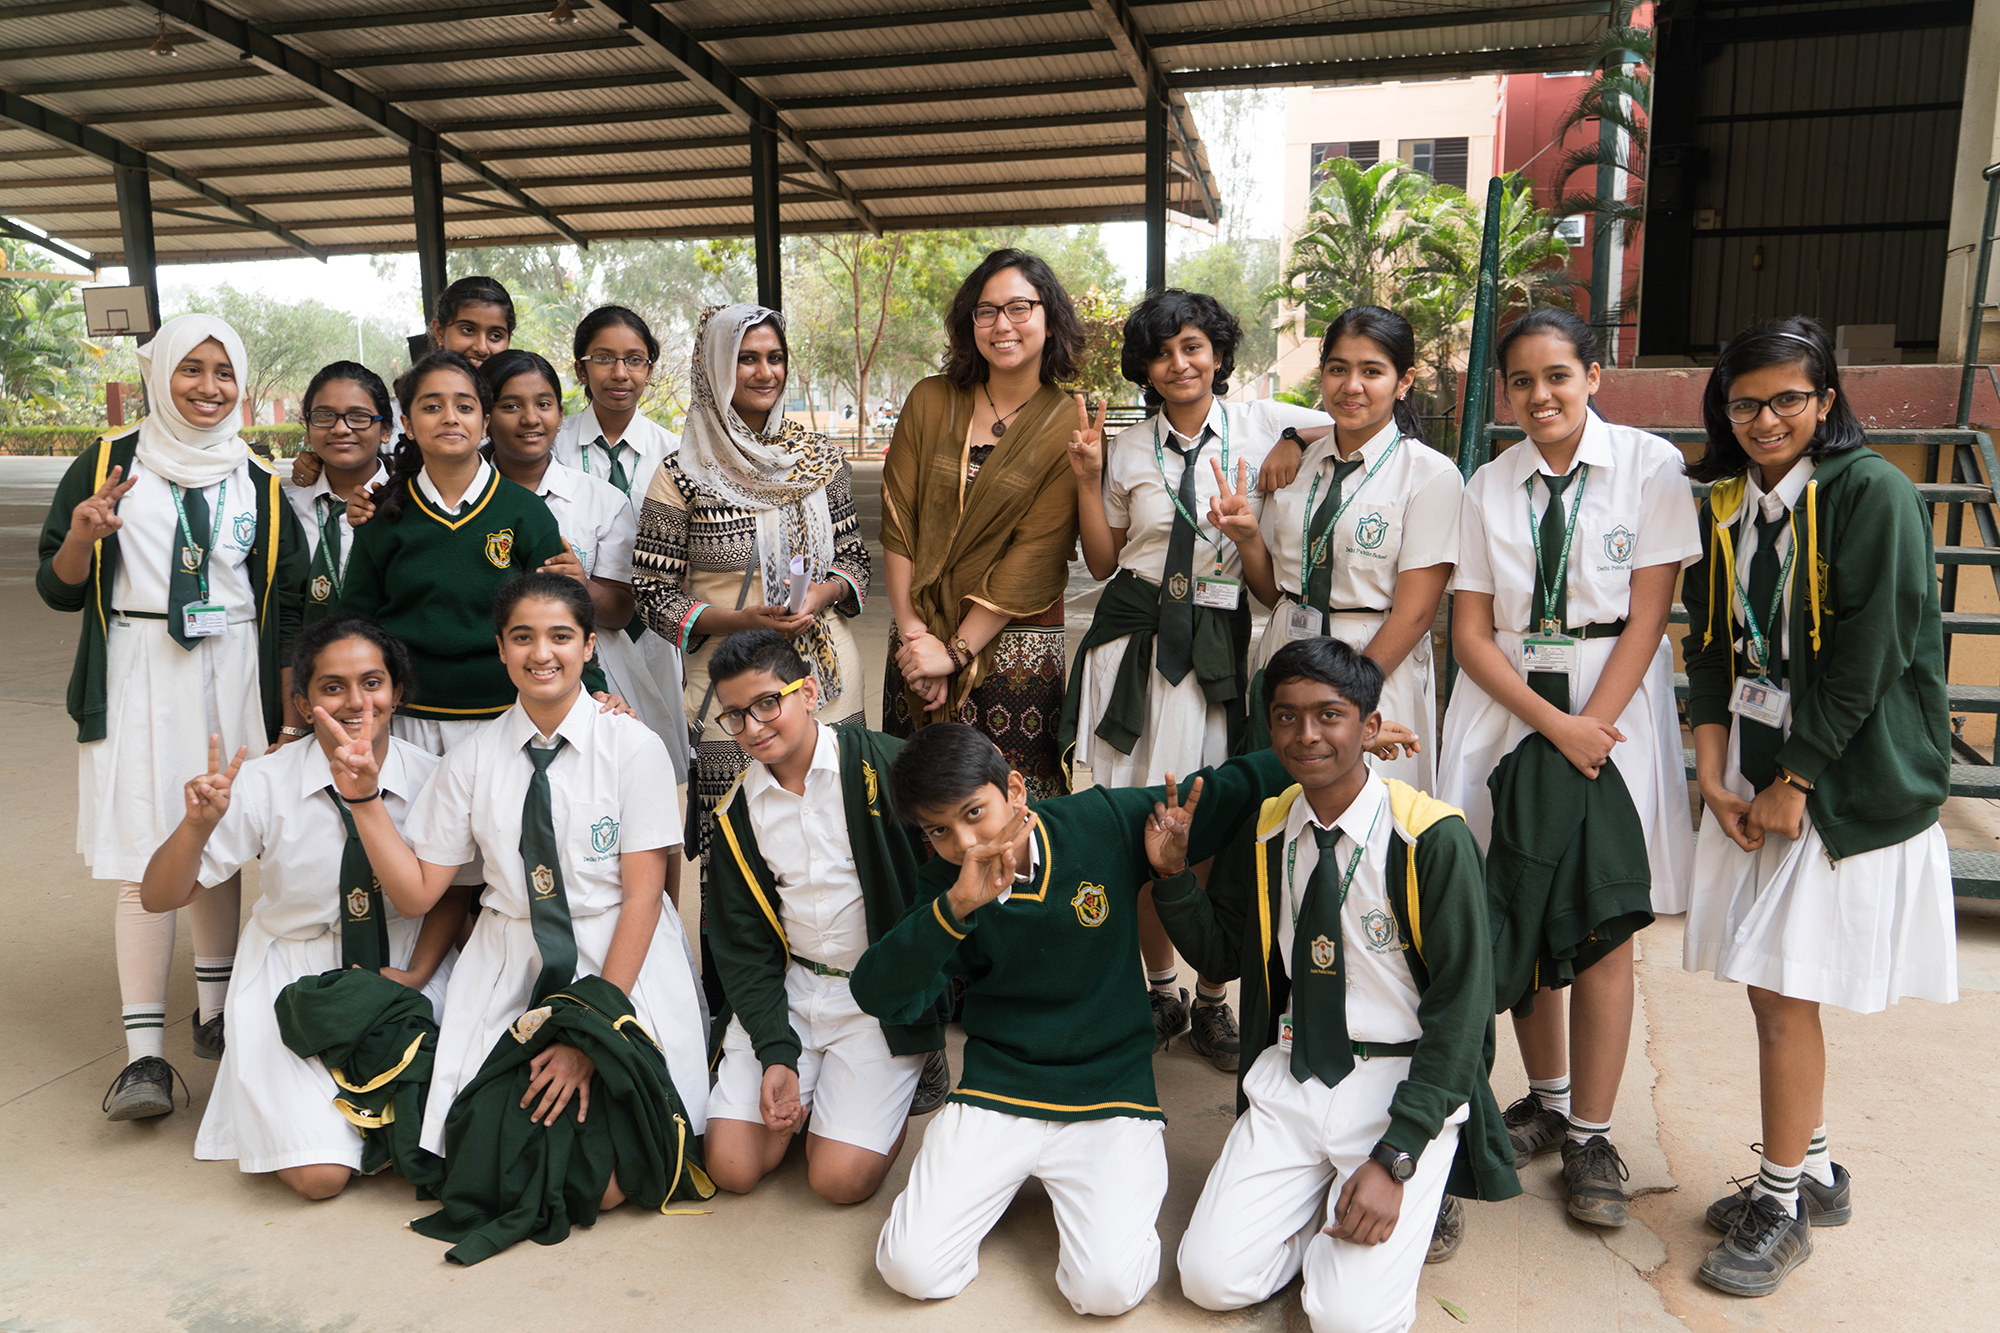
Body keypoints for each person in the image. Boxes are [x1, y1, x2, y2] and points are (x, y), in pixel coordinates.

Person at [1680, 317, 1955, 1297]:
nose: (1762, 418)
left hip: (1836, 781)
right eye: (1743, 401)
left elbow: (1869, 650)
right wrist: (1711, 770)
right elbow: (1710, 648)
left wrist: (1792, 780)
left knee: (1785, 993)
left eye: (1784, 398)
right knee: (1766, 984)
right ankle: (1814, 1168)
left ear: (1824, 401)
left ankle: (1781, 1199)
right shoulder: (1720, 500)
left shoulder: (1868, 491)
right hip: (1753, 777)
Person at [852, 723, 1292, 1316]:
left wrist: (1325, 748)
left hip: (1110, 1091)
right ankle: (1009, 1181)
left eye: (973, 813)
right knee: (909, 1268)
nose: (963, 841)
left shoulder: (1101, 820)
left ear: (1014, 789)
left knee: (1106, 1291)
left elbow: (1225, 790)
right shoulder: (945, 885)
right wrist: (954, 908)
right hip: (1000, 1087)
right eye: (938, 831)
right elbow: (880, 992)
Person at [336, 572, 712, 1259]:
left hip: (617, 956)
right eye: (523, 637)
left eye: (561, 636)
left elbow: (643, 895)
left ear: (590, 644)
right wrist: (363, 800)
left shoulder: (632, 748)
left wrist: (593, 1033)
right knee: (484, 1157)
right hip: (512, 958)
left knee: (609, 1180)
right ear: (502, 650)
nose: (543, 652)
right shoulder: (473, 760)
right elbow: (422, 892)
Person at [1157, 637, 1517, 1333]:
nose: (1306, 734)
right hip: (1295, 1071)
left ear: (1370, 727)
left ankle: (1392, 1199)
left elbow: (1462, 1006)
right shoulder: (1267, 830)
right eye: (1286, 716)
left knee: (1348, 1321)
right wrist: (1174, 877)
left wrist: (1398, 1151)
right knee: (1209, 1278)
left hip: (1399, 1082)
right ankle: (1321, 1204)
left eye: (1329, 714)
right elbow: (1223, 952)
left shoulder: (1430, 838)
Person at [1437, 308, 1699, 1228]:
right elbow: (1469, 633)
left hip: (1612, 705)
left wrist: (1591, 725)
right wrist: (1556, 725)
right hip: (1511, 703)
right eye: (1521, 381)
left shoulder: (1650, 466)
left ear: (1595, 374)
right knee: (1515, 904)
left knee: (1598, 924)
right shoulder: (1488, 483)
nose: (1539, 395)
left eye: (1557, 375)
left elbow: (1648, 615)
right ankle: (1546, 1098)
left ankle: (1593, 1131)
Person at [36, 312, 307, 1122]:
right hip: (139, 668)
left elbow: (287, 599)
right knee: (144, 844)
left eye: (224, 372)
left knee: (215, 848)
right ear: (159, 373)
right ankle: (143, 1056)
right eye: (191, 368)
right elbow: (57, 585)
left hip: (230, 670)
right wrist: (84, 536)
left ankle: (216, 1017)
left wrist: (288, 707)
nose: (207, 387)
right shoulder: (110, 462)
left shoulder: (257, 479)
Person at [1060, 287, 1332, 1070]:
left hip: (1215, 648)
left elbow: (1340, 423)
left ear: (1217, 353)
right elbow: (1105, 562)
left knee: (1212, 824)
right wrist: (1087, 476)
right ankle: (1159, 987)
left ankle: (1215, 996)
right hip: (1133, 645)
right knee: (1145, 820)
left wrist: (1287, 436)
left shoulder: (1255, 423)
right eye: (1161, 351)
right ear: (1145, 368)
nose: (1179, 363)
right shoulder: (1128, 446)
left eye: (1193, 346)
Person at [139, 616, 462, 1198]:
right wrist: (195, 829)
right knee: (318, 1177)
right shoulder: (266, 782)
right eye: (332, 687)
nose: (356, 701)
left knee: (444, 1141)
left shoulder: (437, 778)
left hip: (403, 964)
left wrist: (417, 975)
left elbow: (453, 894)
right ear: (303, 701)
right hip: (294, 970)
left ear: (399, 691)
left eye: (372, 682)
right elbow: (158, 897)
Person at [632, 304, 869, 1003]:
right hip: (727, 692)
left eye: (773, 357)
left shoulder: (818, 459)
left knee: (833, 837)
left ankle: (845, 1001)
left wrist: (820, 596)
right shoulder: (682, 472)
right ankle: (738, 1019)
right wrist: (741, 618)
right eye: (746, 357)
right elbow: (651, 591)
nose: (764, 371)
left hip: (826, 682)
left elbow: (855, 557)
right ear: (714, 368)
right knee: (741, 851)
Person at [701, 629, 944, 1204]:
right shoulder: (738, 811)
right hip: (795, 990)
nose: (753, 728)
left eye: (767, 703)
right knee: (732, 1167)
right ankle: (820, 1093)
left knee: (836, 1182)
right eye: (734, 716)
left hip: (877, 996)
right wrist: (776, 1052)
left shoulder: (887, 765)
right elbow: (743, 946)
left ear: (809, 691)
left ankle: (908, 1072)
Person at [879, 248, 1081, 803]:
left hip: (1015, 649)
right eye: (986, 311)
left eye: (1019, 307)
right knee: (924, 808)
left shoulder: (1068, 423)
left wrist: (957, 651)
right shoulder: (929, 399)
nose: (1002, 325)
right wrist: (916, 637)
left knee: (1013, 815)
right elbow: (900, 522)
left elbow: (1035, 553)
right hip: (917, 642)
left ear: (1049, 317)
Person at [1243, 306, 1463, 793]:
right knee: (1276, 815)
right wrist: (1246, 538)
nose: (1351, 386)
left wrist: (1345, 702)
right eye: (1338, 368)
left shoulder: (1430, 475)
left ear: (1403, 381)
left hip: (1371, 668)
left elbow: (1415, 614)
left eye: (1372, 371)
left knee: (1371, 821)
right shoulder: (1296, 466)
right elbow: (1272, 592)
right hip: (1285, 654)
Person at [334, 349, 570, 756]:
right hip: (407, 719)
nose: (449, 417)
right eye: (431, 406)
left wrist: (595, 691)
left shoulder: (526, 512)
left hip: (508, 712)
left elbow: (562, 614)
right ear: (406, 423)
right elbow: (354, 620)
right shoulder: (382, 512)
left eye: (464, 406)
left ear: (484, 422)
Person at [553, 304, 691, 779]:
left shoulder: (675, 451)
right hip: (573, 626)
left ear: (650, 369)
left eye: (634, 359)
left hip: (652, 629)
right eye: (604, 358)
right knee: (582, 763)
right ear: (579, 367)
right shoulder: (553, 442)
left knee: (650, 760)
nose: (620, 373)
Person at [290, 276, 515, 490]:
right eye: (468, 330)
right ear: (439, 331)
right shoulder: (399, 415)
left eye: (495, 336)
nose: (482, 347)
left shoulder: (523, 407)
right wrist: (319, 464)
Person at [480, 349, 638, 645]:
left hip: (585, 672)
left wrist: (582, 586)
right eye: (511, 406)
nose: (530, 419)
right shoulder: (464, 501)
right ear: (485, 418)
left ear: (561, 413)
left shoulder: (603, 501)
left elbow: (621, 613)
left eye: (543, 404)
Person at [289, 362, 390, 626]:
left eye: (359, 416)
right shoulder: (285, 509)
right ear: (307, 425)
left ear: (386, 430)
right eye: (324, 416)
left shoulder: (410, 505)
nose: (341, 428)